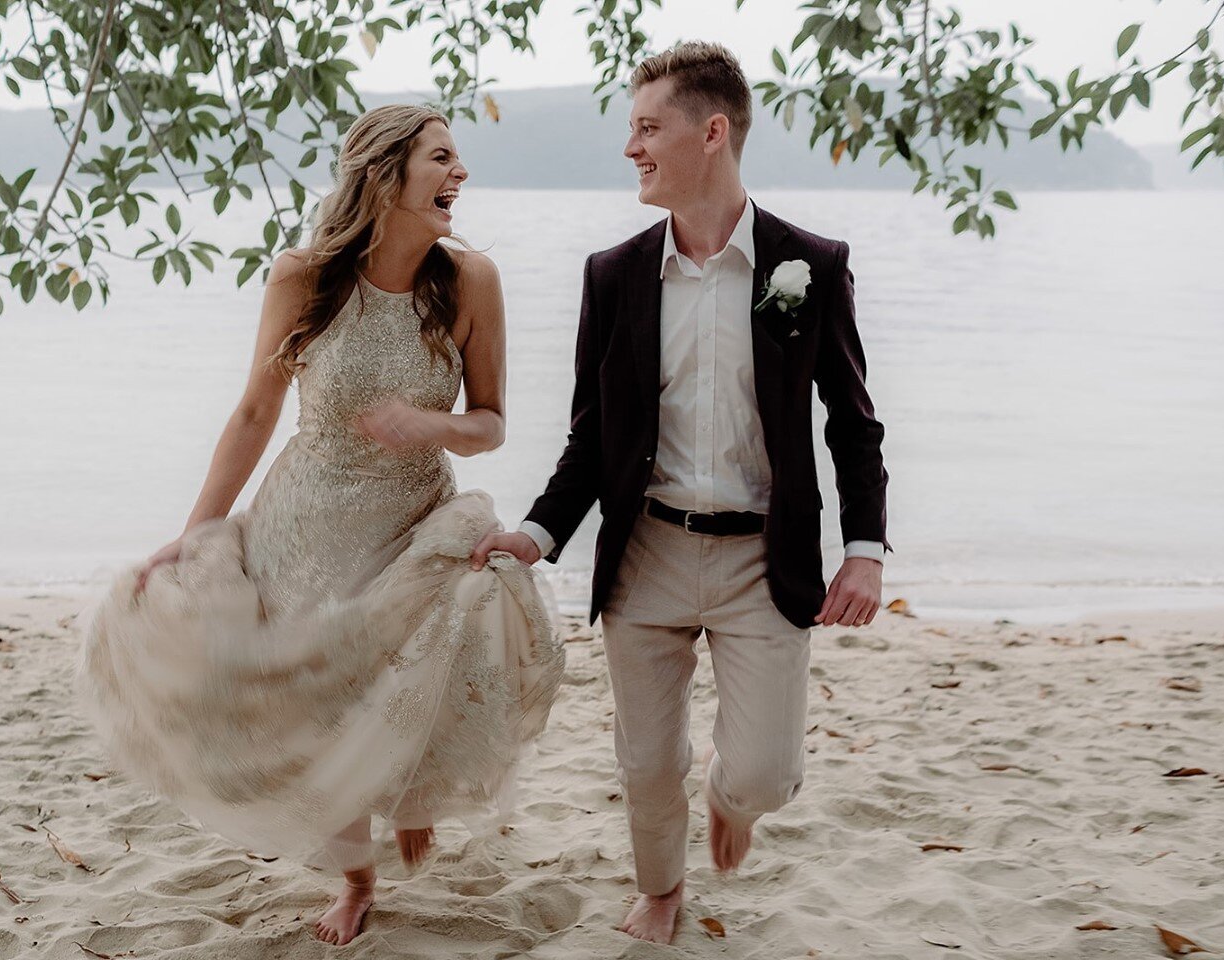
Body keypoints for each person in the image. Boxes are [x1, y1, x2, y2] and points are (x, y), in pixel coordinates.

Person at [77, 104, 564, 948]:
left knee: (432, 654)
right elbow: (257, 410)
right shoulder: (302, 277)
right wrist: (199, 533)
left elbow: (490, 421)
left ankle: (411, 796)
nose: (461, 173)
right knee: (313, 702)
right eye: (442, 158)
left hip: (412, 515)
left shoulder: (470, 280)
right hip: (305, 521)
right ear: (384, 174)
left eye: (459, 159)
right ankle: (356, 877)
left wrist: (431, 425)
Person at [470, 41, 890, 945]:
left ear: (712, 132)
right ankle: (661, 891)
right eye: (630, 129)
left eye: (647, 127)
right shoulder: (613, 276)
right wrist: (538, 534)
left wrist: (865, 549)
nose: (632, 147)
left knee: (768, 775)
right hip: (648, 549)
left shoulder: (807, 265)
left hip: (760, 560)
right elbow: (592, 437)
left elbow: (851, 422)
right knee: (646, 759)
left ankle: (731, 797)